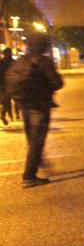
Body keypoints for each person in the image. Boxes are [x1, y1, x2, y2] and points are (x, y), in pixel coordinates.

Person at [4, 33, 63, 187]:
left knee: (32, 138)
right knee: (37, 140)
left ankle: (36, 160)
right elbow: (57, 83)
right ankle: (29, 175)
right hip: (40, 104)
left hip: (23, 103)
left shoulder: (21, 60)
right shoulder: (44, 61)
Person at [0, 48, 14, 125]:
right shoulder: (13, 62)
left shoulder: (1, 62)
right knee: (10, 100)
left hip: (2, 84)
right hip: (11, 83)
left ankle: (5, 114)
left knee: (6, 100)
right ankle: (9, 115)